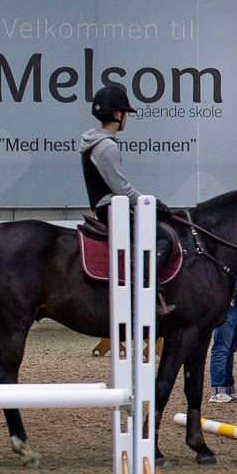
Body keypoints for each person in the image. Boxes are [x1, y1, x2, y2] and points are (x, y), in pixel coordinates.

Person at [80, 83, 176, 316]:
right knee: (163, 238)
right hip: (113, 207)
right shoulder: (105, 147)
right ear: (117, 115)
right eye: (125, 114)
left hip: (109, 206)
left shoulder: (96, 142)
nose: (126, 119)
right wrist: (150, 202)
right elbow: (121, 188)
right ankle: (142, 295)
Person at [208, 272, 237, 403]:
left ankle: (228, 387)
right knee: (221, 348)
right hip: (230, 306)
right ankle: (217, 388)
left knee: (230, 349)